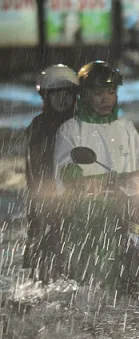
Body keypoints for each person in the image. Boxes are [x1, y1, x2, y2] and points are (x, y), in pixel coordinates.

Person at [53, 60, 139, 286]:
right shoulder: (70, 131)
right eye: (98, 93)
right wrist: (105, 182)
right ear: (84, 95)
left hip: (131, 207)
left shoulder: (124, 126)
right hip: (91, 216)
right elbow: (68, 177)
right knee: (103, 277)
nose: (106, 98)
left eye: (111, 92)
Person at [23, 64, 79, 275]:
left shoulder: (83, 123)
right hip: (49, 200)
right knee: (47, 241)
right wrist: (48, 197)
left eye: (68, 93)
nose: (63, 99)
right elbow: (35, 169)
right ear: (46, 96)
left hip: (82, 194)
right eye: (57, 94)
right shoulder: (39, 127)